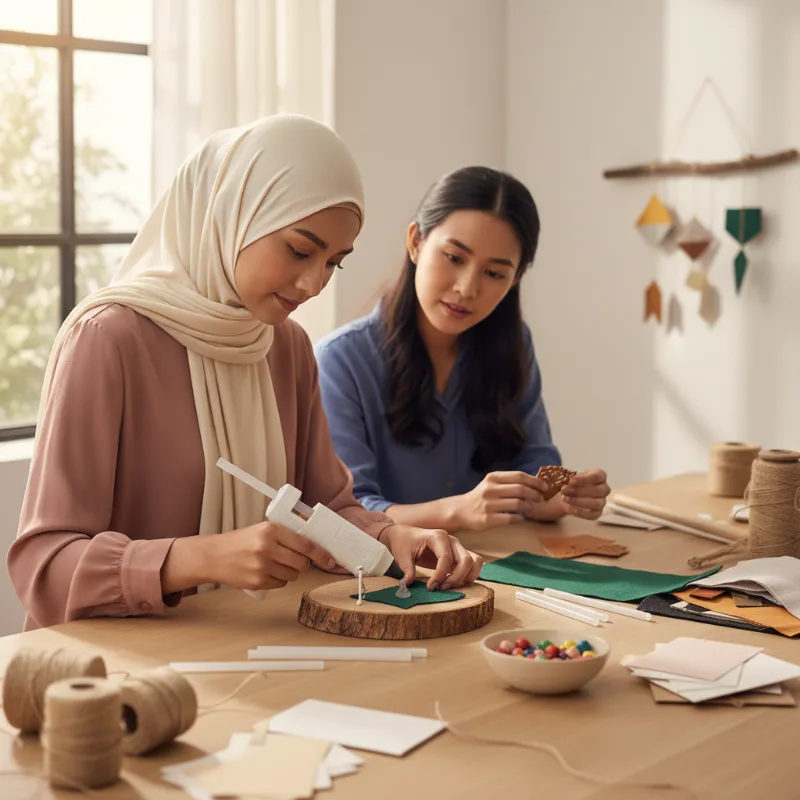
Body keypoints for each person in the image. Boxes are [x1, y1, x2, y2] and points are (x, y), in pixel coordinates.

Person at [7, 116, 483, 631]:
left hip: (248, 655)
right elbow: (44, 567)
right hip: (116, 678)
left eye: (334, 263)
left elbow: (325, 508)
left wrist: (389, 536)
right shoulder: (108, 338)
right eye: (300, 250)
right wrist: (199, 559)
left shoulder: (286, 346)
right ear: (233, 215)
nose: (313, 284)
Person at [315, 166, 610, 534]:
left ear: (515, 279)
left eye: (494, 273)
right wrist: (457, 511)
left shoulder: (514, 343)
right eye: (454, 257)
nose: (467, 288)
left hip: (498, 570)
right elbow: (348, 514)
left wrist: (567, 494)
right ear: (416, 242)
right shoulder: (340, 360)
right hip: (387, 581)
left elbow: (535, 468)